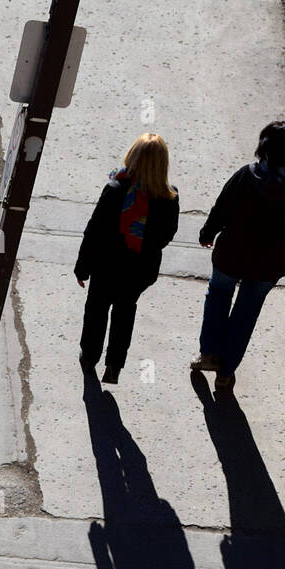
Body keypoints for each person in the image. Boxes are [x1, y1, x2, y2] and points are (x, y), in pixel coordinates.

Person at [191, 121, 285, 389]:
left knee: (219, 296)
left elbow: (222, 208)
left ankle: (209, 354)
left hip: (231, 255)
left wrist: (207, 234)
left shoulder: (246, 176)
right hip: (268, 267)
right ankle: (226, 371)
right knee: (246, 313)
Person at [75, 134, 179, 385]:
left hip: (106, 265)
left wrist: (82, 267)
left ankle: (90, 358)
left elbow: (95, 230)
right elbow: (167, 235)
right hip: (140, 270)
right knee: (125, 311)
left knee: (96, 310)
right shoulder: (169, 196)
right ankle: (114, 365)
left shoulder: (115, 189)